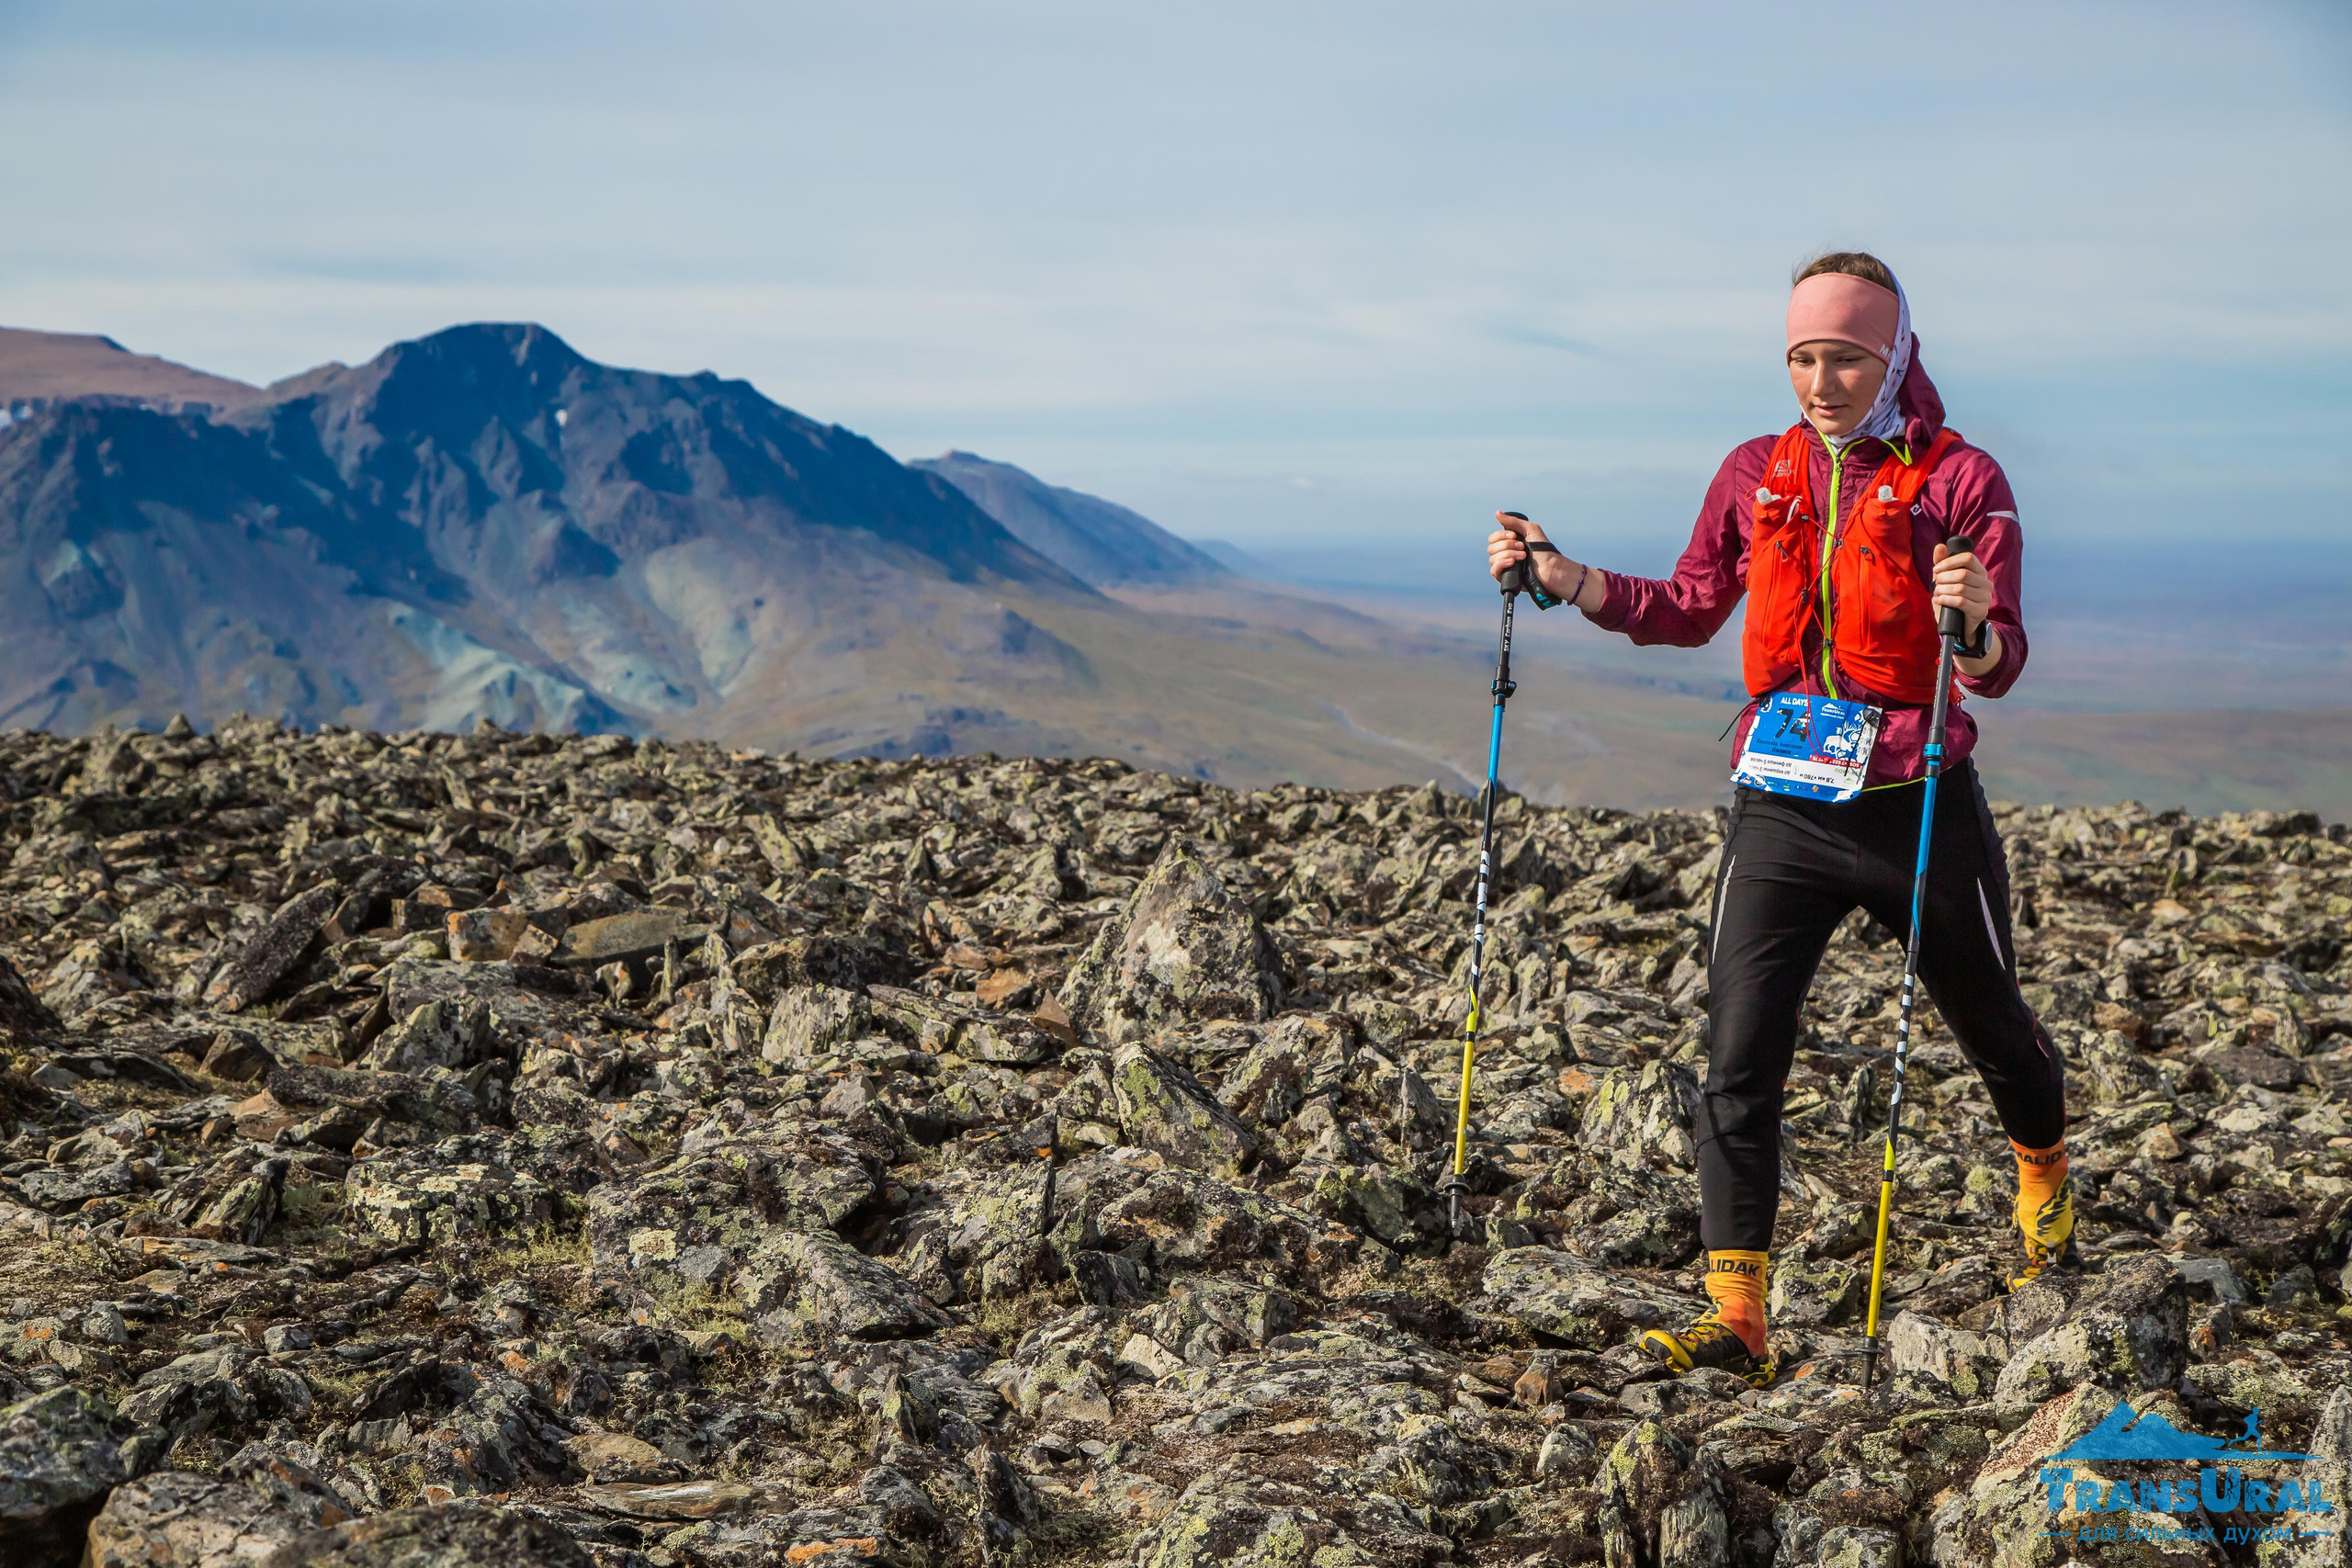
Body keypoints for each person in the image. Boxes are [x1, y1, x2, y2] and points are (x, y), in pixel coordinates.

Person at [1487, 252, 2072, 1388]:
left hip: (1914, 804)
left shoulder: (1961, 478)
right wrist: (1563, 577)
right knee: (1739, 1049)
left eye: (1845, 356)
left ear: (1893, 353)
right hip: (1782, 798)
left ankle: (2042, 1164)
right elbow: (1688, 606)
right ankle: (1736, 1314)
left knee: (1992, 1024)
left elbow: (1996, 666)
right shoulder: (1757, 471)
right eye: (1801, 356)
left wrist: (1974, 629)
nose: (1820, 378)